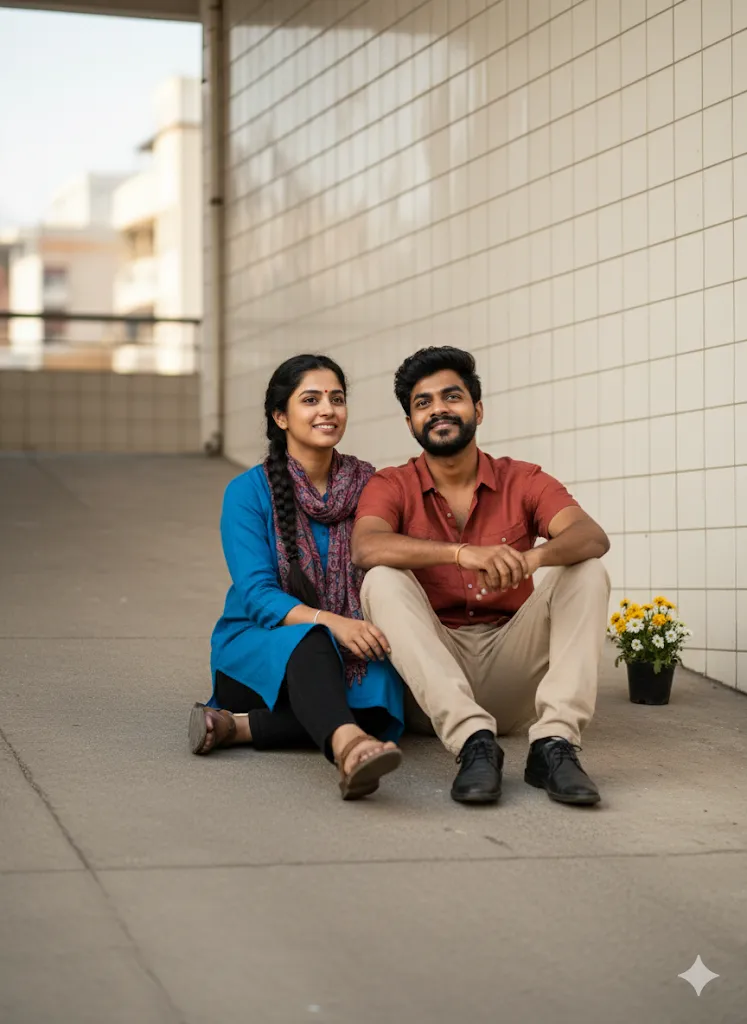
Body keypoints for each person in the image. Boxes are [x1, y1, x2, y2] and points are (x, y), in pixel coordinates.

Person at [351, 346, 611, 807]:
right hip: (432, 675)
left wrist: (532, 559)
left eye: (451, 397)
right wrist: (460, 553)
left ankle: (554, 743)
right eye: (423, 403)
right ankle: (473, 742)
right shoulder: (392, 484)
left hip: (512, 665)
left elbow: (591, 536)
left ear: (478, 409)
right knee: (381, 579)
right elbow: (366, 546)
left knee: (586, 571)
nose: (438, 410)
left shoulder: (523, 479)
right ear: (410, 423)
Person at [188, 354, 404, 801]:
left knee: (385, 702)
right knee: (312, 639)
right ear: (280, 416)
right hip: (258, 646)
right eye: (311, 399)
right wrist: (333, 622)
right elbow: (259, 597)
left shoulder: (372, 485)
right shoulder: (247, 492)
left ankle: (237, 728)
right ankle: (350, 749)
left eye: (337, 399)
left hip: (351, 643)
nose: (328, 409)